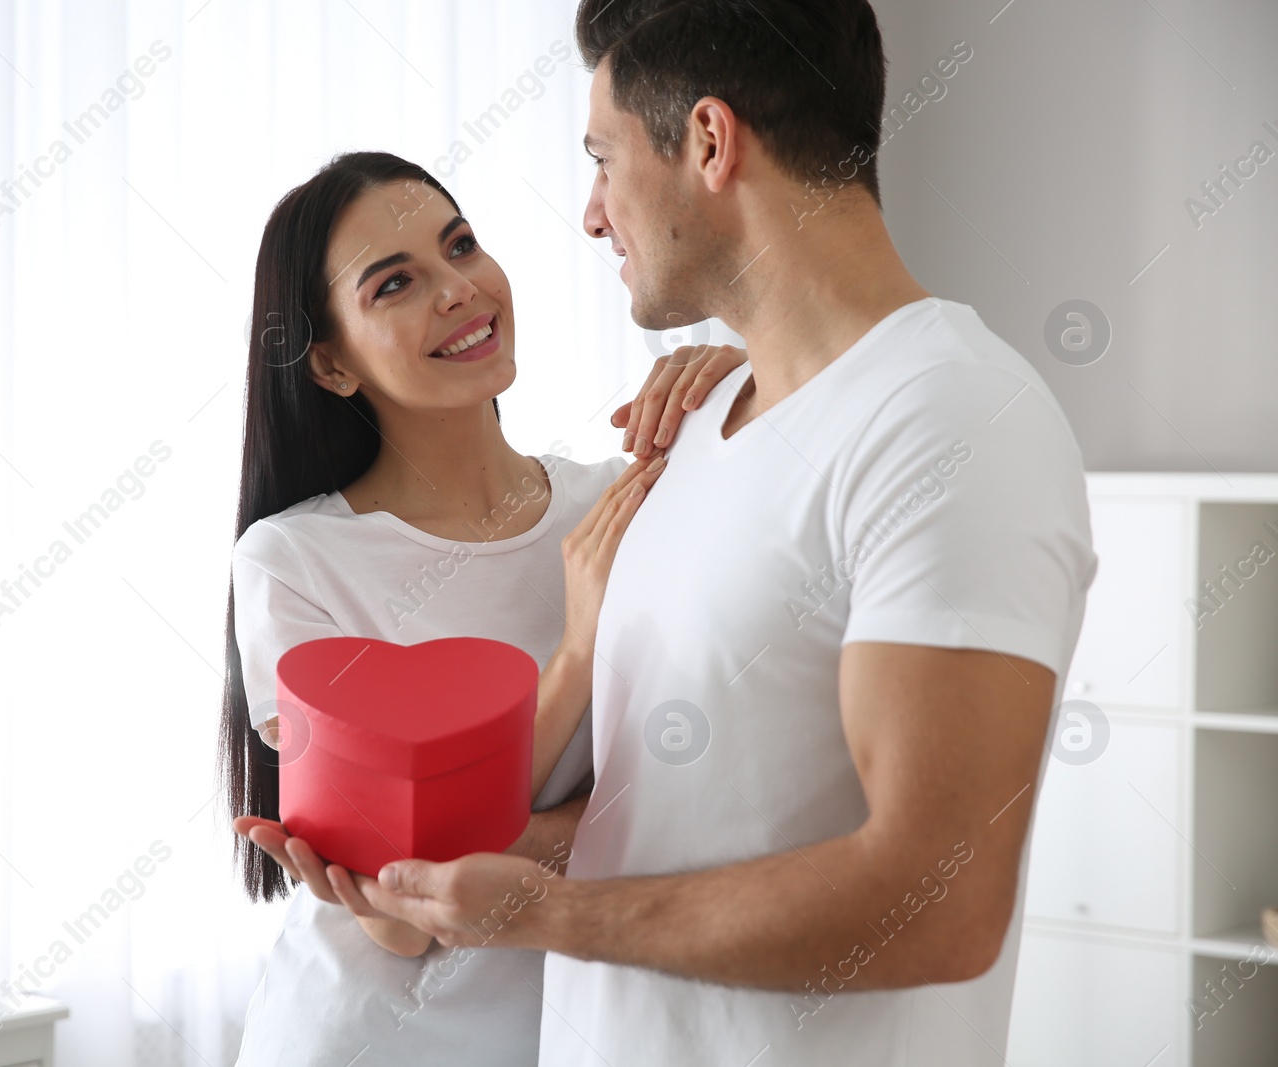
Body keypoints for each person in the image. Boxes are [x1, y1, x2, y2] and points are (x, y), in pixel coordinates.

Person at [325, 3, 1100, 1066]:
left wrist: (550, 913)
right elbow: (676, 812)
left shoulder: (950, 418)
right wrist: (441, 866)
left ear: (707, 141)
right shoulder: (694, 424)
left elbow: (937, 898)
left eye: (602, 158)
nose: (591, 214)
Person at [219, 150, 742, 1065]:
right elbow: (403, 925)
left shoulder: (625, 500)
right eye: (396, 283)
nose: (459, 289)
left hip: (576, 1035)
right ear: (332, 363)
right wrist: (577, 656)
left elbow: (706, 796)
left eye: (460, 246)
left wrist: (741, 386)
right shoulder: (294, 562)